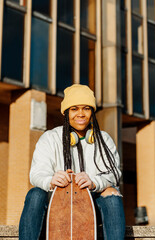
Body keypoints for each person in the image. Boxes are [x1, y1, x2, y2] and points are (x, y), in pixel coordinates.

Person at [19, 84, 125, 240]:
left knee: (112, 194)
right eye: (74, 109)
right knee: (35, 193)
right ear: (66, 112)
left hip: (91, 202)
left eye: (86, 108)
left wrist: (94, 182)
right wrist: (51, 180)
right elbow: (36, 173)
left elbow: (113, 173)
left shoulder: (104, 139)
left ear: (92, 113)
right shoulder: (50, 138)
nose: (81, 114)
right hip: (56, 202)